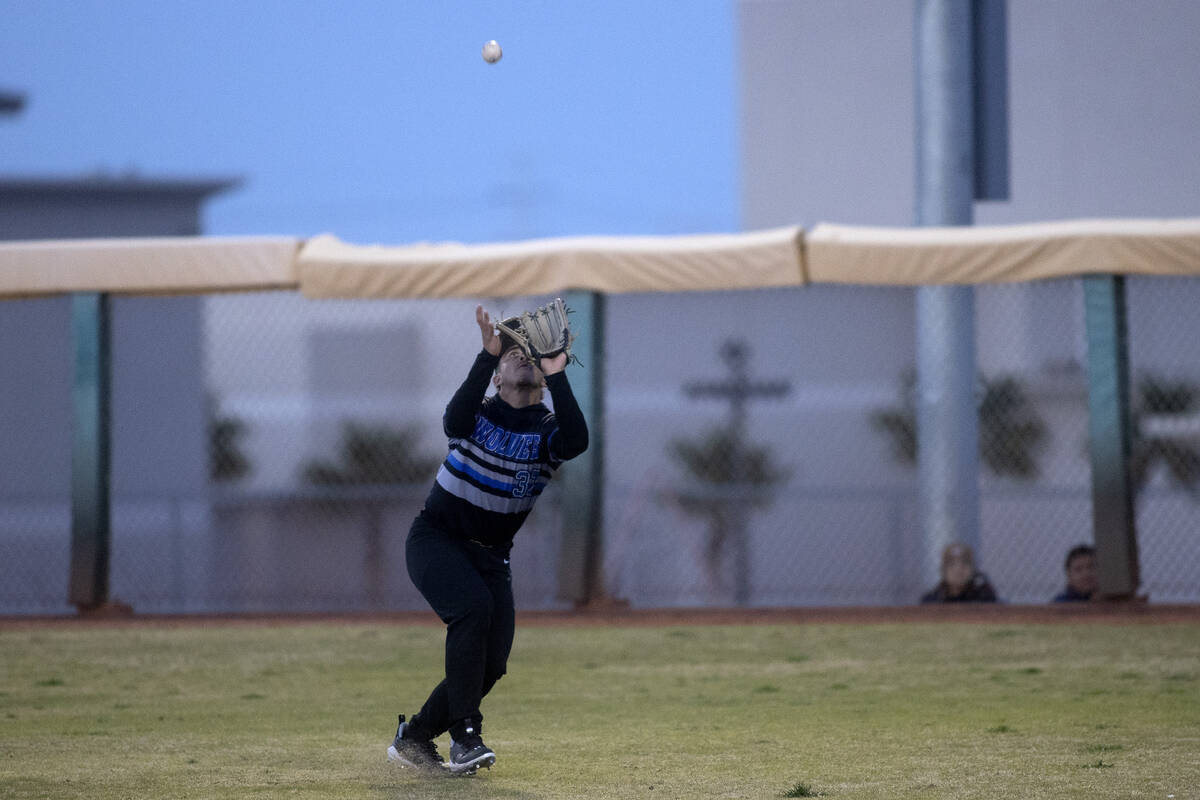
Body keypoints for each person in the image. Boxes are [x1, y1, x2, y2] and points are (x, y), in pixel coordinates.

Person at [387, 304, 588, 776]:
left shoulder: (546, 432)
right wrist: (486, 354)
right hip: (436, 539)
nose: (521, 358)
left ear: (541, 376)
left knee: (493, 662)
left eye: (529, 355)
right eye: (511, 355)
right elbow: (452, 418)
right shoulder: (474, 416)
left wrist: (557, 372)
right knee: (472, 610)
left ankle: (414, 738)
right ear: (496, 376)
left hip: (492, 557)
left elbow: (577, 440)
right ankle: (465, 737)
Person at [920, 542, 998, 603]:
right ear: (943, 570)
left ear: (973, 569)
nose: (958, 569)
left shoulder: (985, 599)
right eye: (952, 564)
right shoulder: (932, 601)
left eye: (965, 563)